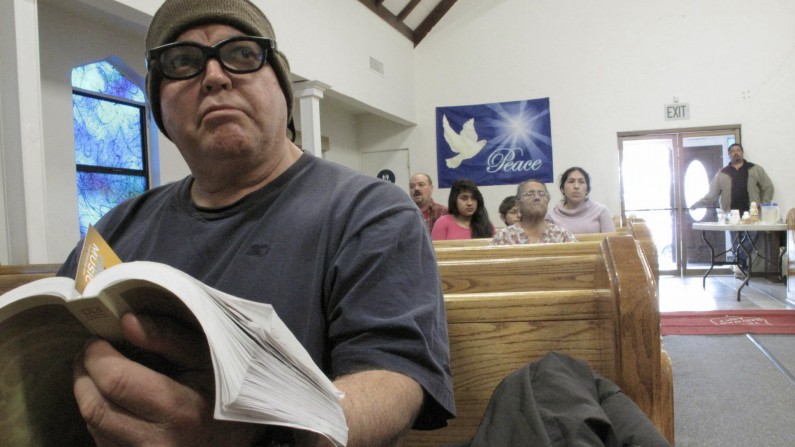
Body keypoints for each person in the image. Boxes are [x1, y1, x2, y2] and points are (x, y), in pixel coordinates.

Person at [60, 1, 455, 445]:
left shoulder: (369, 211)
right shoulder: (117, 228)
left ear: (283, 90)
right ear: (158, 106)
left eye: (243, 54)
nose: (214, 76)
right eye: (183, 62)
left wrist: (259, 434)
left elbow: (393, 380)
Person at [690, 143, 774, 274]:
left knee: (753, 235)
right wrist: (697, 205)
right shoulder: (723, 173)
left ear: (742, 152)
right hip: (731, 214)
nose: (736, 153)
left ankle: (738, 261)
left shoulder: (755, 169)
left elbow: (768, 187)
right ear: (729, 154)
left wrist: (763, 204)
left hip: (752, 213)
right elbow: (712, 195)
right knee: (735, 240)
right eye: (733, 151)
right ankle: (739, 268)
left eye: (738, 150)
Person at [492, 179, 576, 245]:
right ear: (518, 204)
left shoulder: (562, 235)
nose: (537, 197)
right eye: (529, 194)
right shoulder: (504, 236)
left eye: (542, 193)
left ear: (547, 201)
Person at [546, 167, 616, 234]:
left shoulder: (601, 211)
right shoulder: (552, 216)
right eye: (571, 181)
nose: (576, 186)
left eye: (581, 182)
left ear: (587, 190)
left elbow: (611, 243)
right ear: (562, 189)